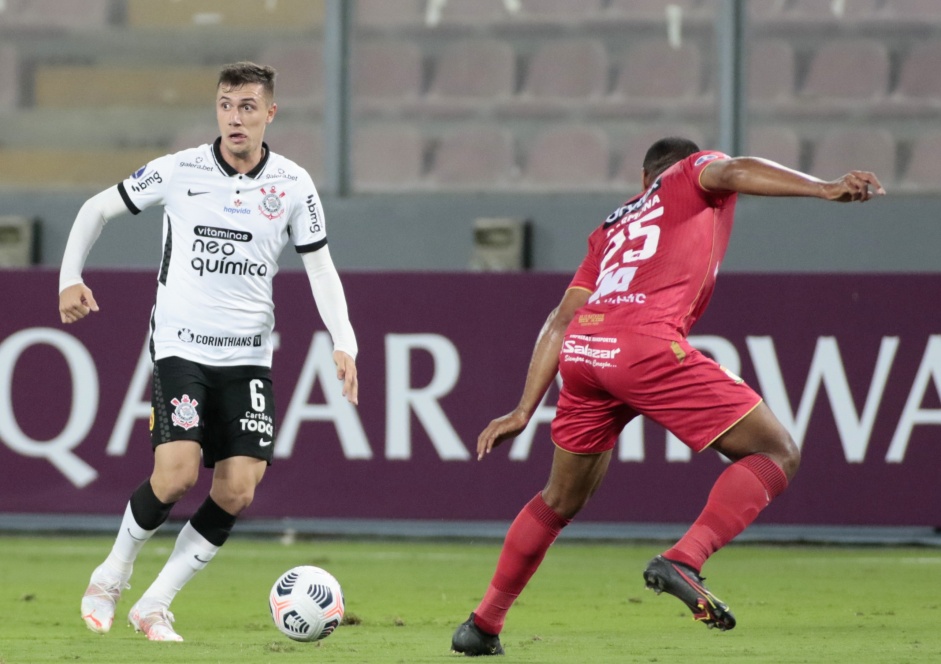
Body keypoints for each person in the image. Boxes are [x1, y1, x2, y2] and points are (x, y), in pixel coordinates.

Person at [450, 137, 884, 655]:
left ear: (640, 178)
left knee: (559, 499)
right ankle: (685, 558)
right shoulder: (689, 175)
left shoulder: (610, 228)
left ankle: (482, 625)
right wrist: (824, 188)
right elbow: (734, 169)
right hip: (643, 346)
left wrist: (525, 407)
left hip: (584, 353)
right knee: (776, 452)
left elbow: (559, 320)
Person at [60, 62, 359, 642]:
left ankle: (155, 603)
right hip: (182, 347)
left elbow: (320, 267)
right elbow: (96, 208)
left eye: (248, 106)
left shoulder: (293, 184)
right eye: (226, 104)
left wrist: (344, 340)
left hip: (248, 357)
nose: (235, 117)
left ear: (270, 113)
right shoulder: (180, 170)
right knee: (175, 475)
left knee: (239, 488)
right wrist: (69, 275)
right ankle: (112, 574)